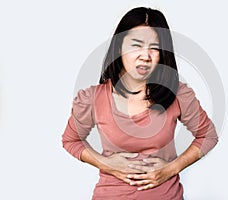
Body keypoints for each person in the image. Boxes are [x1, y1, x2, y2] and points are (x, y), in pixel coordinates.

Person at [62, 7, 218, 200]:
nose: (146, 55)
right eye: (136, 45)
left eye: (154, 48)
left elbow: (208, 135)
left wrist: (171, 169)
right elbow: (71, 140)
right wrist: (105, 163)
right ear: (119, 47)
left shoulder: (177, 93)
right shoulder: (92, 98)